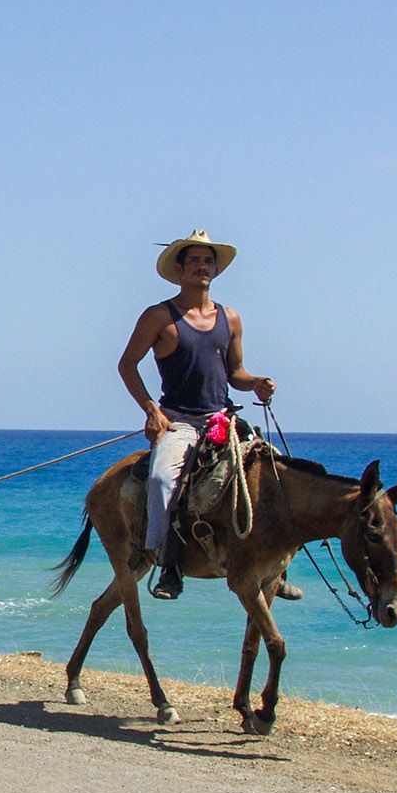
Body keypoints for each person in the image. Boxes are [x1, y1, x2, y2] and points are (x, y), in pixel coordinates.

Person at [117, 230, 299, 601]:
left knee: (280, 475)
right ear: (180, 269)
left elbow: (236, 373)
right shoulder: (158, 317)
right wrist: (151, 409)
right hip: (180, 421)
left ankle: (277, 570)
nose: (203, 267)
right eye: (195, 261)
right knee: (161, 480)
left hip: (222, 420)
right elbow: (126, 365)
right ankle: (166, 562)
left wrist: (257, 383)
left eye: (208, 261)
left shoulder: (229, 318)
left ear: (215, 268)